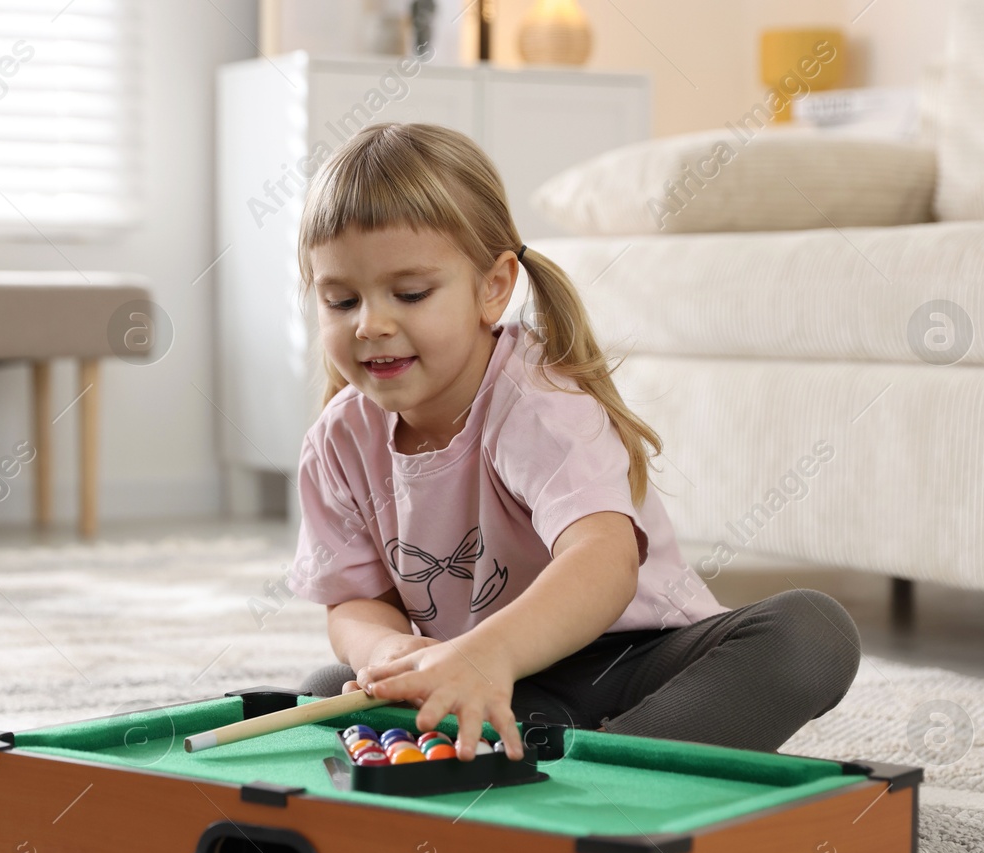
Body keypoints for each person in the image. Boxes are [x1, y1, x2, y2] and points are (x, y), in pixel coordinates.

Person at [287, 122, 861, 759]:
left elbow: (605, 560)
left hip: (637, 663)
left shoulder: (536, 400)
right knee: (323, 692)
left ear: (493, 287)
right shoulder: (337, 439)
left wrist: (488, 654)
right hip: (514, 688)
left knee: (812, 633)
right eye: (340, 301)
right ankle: (565, 765)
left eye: (411, 293)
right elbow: (356, 603)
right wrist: (390, 653)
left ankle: (615, 770)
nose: (371, 324)